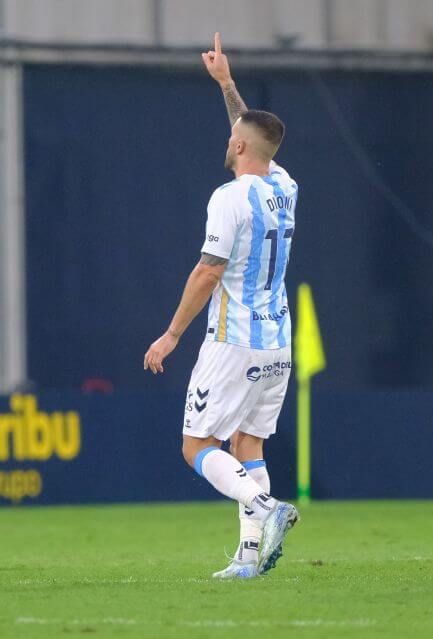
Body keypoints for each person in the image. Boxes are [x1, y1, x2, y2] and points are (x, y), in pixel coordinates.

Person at [143, 33, 299, 579]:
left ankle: (266, 508)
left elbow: (209, 271)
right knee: (247, 443)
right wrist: (227, 84)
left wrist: (171, 335)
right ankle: (250, 558)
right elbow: (253, 134)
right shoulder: (286, 185)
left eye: (232, 136)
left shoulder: (228, 198)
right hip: (277, 340)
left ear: (237, 147)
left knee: (196, 445)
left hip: (233, 340)